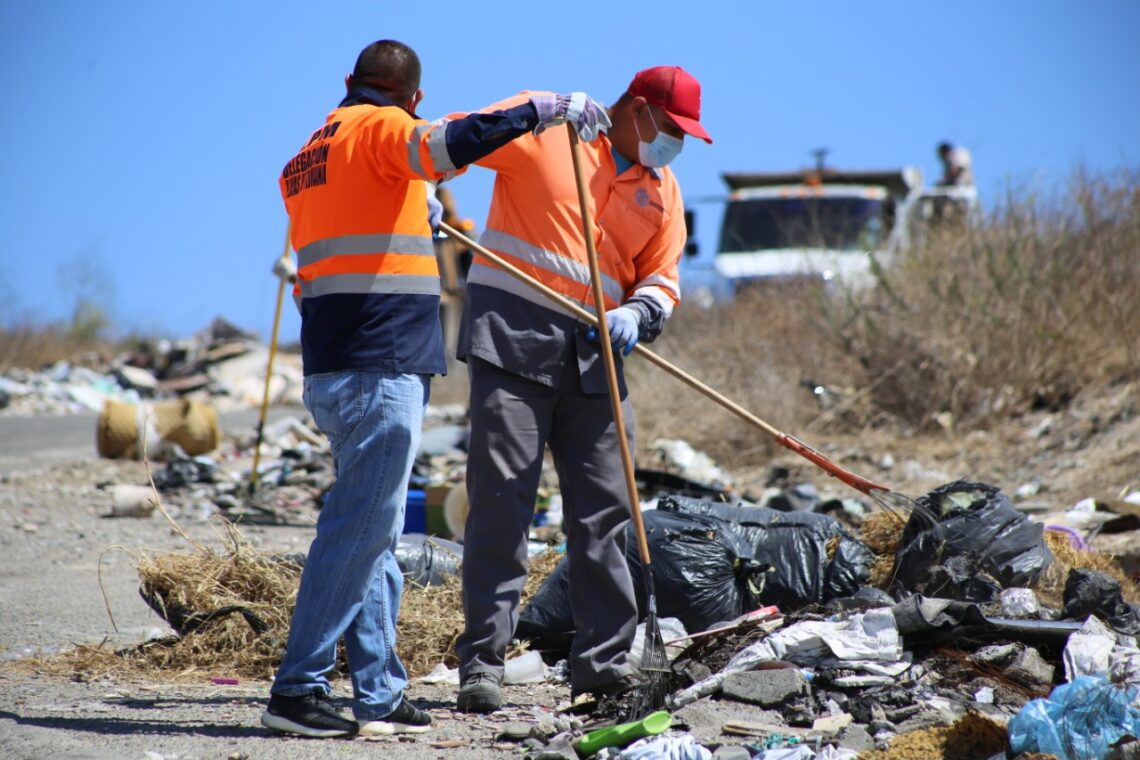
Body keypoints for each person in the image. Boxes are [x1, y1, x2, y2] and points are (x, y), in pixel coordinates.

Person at [260, 38, 607, 739]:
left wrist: (413, 209)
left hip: (332, 361)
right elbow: (449, 143)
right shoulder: (383, 128)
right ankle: (296, 689)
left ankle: (379, 692)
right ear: (412, 97)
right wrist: (537, 111)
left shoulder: (306, 157)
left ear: (349, 80)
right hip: (379, 359)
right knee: (358, 528)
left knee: (377, 531)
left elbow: (353, 229)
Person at [452, 66, 712, 714]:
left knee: (606, 511)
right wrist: (537, 108)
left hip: (595, 353)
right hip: (512, 335)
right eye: (671, 128)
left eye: (685, 135)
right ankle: (482, 665)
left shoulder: (663, 190)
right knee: (502, 504)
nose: (675, 144)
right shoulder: (551, 133)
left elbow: (663, 279)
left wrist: (639, 314)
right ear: (637, 109)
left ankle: (602, 665)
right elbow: (456, 141)